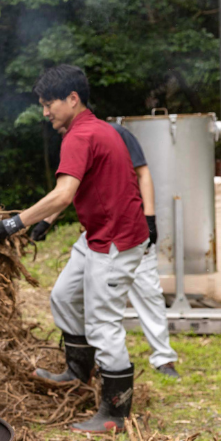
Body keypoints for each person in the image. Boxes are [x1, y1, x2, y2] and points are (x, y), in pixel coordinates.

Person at [0, 64, 148, 433]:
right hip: (98, 235)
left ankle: (115, 414)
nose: (45, 112)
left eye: (48, 104)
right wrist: (48, 221)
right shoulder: (97, 129)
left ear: (72, 99)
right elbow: (87, 188)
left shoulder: (79, 136)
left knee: (104, 324)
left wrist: (14, 223)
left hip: (114, 243)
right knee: (63, 295)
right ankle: (77, 372)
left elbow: (63, 192)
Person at [30, 123, 180, 379]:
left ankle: (163, 359)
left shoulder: (117, 134)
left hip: (131, 230)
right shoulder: (75, 142)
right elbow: (67, 190)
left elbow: (143, 174)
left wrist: (150, 218)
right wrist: (46, 221)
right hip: (99, 234)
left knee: (148, 293)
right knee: (76, 298)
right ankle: (91, 367)